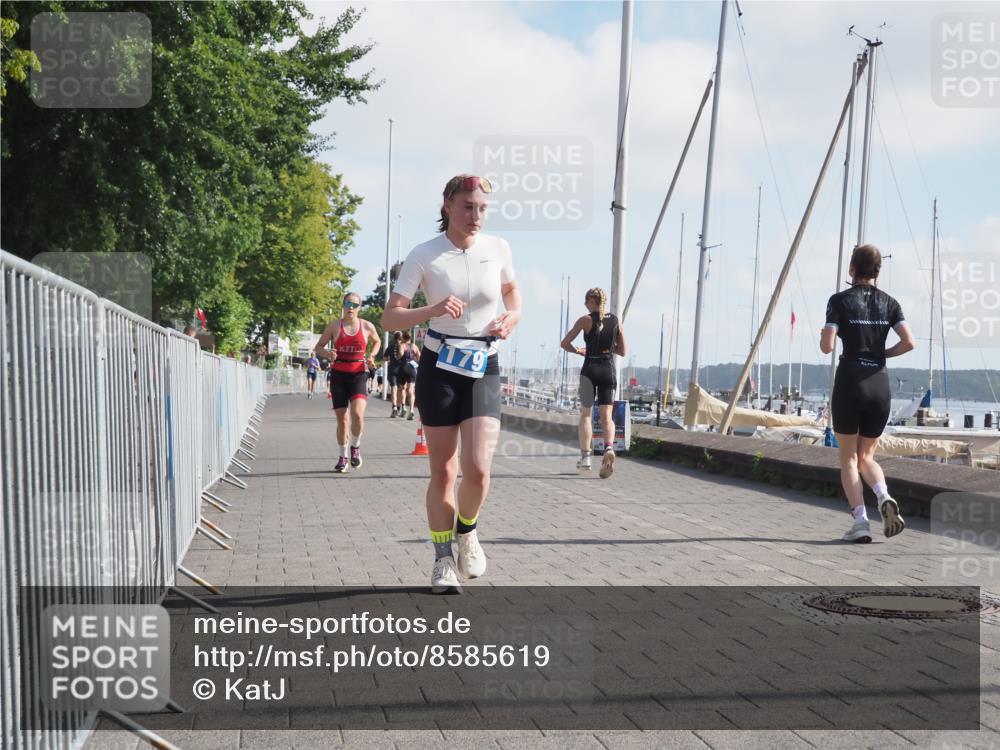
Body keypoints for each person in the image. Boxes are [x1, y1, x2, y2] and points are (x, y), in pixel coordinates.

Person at [382, 174, 520, 594]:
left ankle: (468, 531)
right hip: (439, 366)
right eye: (466, 206)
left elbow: (513, 294)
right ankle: (442, 560)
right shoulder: (425, 254)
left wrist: (512, 318)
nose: (475, 216)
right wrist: (433, 309)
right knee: (443, 470)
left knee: (478, 469)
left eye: (481, 208)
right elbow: (390, 317)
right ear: (447, 205)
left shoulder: (498, 248)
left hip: (484, 364)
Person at [820, 244, 915, 543]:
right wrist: (881, 353)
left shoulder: (839, 301)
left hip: (850, 381)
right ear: (877, 270)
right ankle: (884, 495)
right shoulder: (891, 303)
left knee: (848, 459)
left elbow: (826, 346)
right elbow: (909, 342)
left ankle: (860, 522)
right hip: (879, 383)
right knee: (867, 456)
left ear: (852, 268)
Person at [560, 288, 626, 478]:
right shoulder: (615, 321)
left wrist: (578, 351)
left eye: (586, 301)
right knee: (607, 417)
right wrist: (608, 346)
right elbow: (622, 351)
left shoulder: (584, 320)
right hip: (607, 369)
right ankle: (608, 447)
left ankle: (586, 458)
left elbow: (564, 343)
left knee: (586, 415)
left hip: (589, 369)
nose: (585, 304)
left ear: (592, 301)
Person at [315, 293, 381, 473]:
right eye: (347, 303)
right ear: (343, 306)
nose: (350, 307)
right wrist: (328, 354)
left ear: (360, 307)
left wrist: (372, 355)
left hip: (358, 374)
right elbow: (318, 347)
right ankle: (342, 456)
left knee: (358, 414)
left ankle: (355, 447)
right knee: (343, 421)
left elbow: (377, 341)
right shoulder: (335, 326)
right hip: (338, 376)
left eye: (354, 304)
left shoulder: (367, 326)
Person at [395, 331, 420, 420]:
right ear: (410, 338)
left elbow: (401, 354)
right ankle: (412, 410)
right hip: (412, 369)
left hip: (403, 368)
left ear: (403, 338)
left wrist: (397, 357)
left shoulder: (402, 345)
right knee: (411, 390)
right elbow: (419, 357)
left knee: (402, 388)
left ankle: (403, 407)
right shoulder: (414, 346)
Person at [385, 331, 403, 416]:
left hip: (392, 368)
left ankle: (394, 407)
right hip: (401, 369)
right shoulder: (404, 346)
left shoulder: (390, 346)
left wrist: (390, 359)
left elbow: (385, 358)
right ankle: (400, 407)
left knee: (394, 388)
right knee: (401, 389)